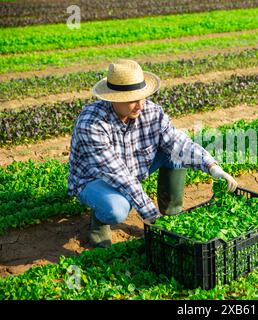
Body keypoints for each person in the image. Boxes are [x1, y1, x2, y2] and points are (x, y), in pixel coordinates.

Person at [68, 59, 238, 248]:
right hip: (94, 179)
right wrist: (153, 218)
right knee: (117, 209)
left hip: (133, 167)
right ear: (114, 98)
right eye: (133, 99)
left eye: (142, 96)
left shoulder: (150, 111)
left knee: (176, 152)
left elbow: (177, 143)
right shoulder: (91, 125)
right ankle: (99, 223)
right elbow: (121, 176)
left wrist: (212, 166)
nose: (140, 105)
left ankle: (172, 212)